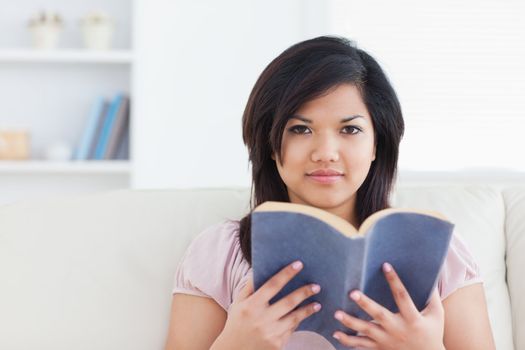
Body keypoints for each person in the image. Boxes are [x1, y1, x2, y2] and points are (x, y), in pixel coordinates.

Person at [164, 36, 495, 350]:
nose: (325, 152)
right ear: (270, 144)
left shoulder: (441, 251)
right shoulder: (221, 254)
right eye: (300, 129)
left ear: (377, 144)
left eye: (349, 129)